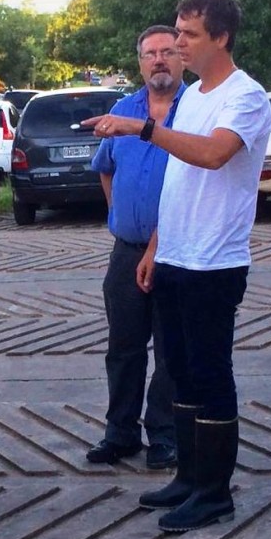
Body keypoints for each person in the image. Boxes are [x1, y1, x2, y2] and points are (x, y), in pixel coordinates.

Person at [86, 0, 271, 534]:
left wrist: (141, 128)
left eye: (189, 34)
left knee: (210, 375)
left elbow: (212, 155)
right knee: (181, 375)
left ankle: (214, 493)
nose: (179, 43)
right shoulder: (193, 98)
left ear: (221, 37)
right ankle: (188, 479)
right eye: (177, 32)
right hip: (174, 255)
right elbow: (178, 182)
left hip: (214, 263)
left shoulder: (246, 96)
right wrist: (155, 247)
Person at [85, 24, 185, 471]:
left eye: (168, 51)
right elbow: (105, 166)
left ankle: (163, 435)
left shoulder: (195, 111)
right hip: (126, 251)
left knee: (170, 350)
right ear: (140, 62)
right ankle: (119, 433)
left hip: (177, 252)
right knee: (123, 348)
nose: (159, 59)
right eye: (150, 54)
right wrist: (117, 213)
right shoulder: (123, 110)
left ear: (181, 58)